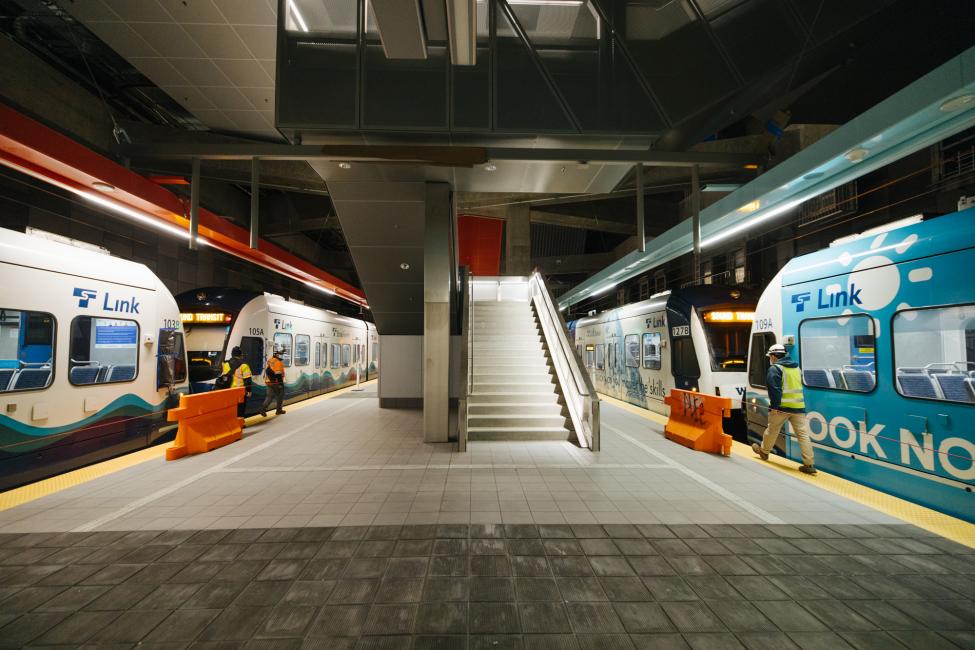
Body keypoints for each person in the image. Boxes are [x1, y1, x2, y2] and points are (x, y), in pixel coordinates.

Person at [752, 343, 817, 475]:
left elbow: (775, 390)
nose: (770, 358)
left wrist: (774, 407)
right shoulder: (796, 368)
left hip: (781, 408)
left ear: (775, 356)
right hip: (798, 407)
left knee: (772, 430)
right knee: (803, 435)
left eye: (770, 356)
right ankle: (809, 464)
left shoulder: (775, 369)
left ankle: (764, 452)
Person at [221, 346, 253, 419]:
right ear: (240, 355)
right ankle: (240, 423)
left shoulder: (225, 364)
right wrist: (248, 391)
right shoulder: (244, 365)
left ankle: (232, 422)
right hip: (239, 391)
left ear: (232, 354)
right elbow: (247, 380)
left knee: (231, 407)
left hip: (228, 390)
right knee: (240, 407)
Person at [261, 345, 286, 417]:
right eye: (281, 354)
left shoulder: (270, 360)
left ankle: (263, 408)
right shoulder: (278, 362)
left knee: (269, 396)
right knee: (280, 395)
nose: (282, 356)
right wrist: (280, 384)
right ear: (277, 354)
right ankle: (279, 410)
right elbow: (278, 374)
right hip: (276, 382)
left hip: (269, 382)